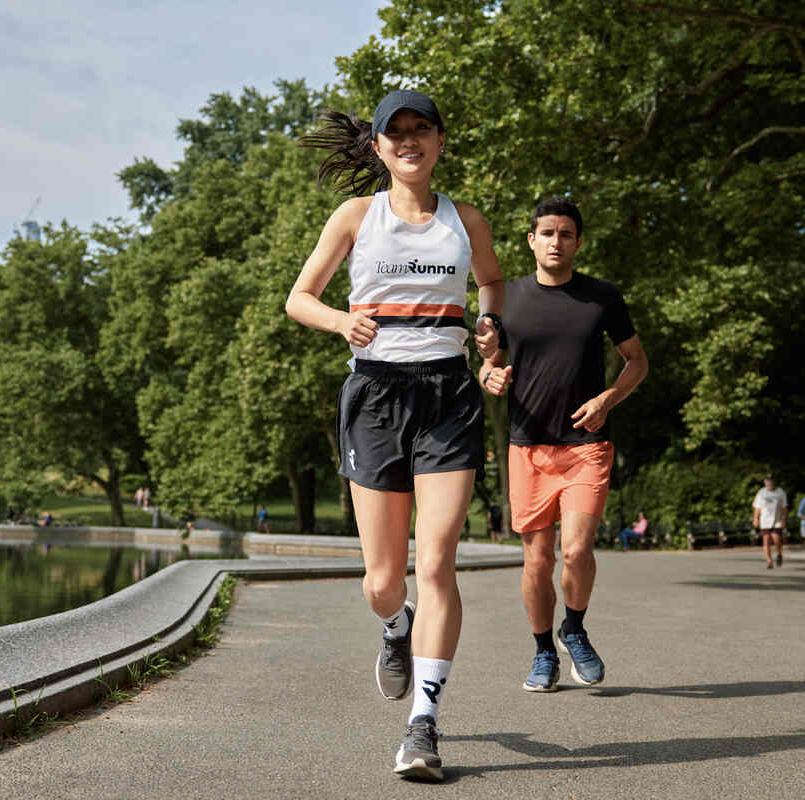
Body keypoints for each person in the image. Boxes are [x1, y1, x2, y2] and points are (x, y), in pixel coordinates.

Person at [286, 89, 505, 781]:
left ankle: (424, 725)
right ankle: (394, 624)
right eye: (396, 133)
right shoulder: (356, 216)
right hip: (375, 395)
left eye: (421, 130)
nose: (409, 141)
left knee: (436, 560)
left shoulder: (466, 219)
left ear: (440, 141)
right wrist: (337, 323)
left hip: (447, 394)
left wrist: (491, 333)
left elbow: (493, 284)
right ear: (378, 148)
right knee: (384, 581)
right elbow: (299, 298)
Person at [480, 197, 648, 694]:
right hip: (528, 446)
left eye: (567, 234)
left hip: (586, 445)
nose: (557, 241)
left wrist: (607, 400)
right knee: (537, 561)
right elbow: (489, 362)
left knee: (575, 551)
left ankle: (573, 628)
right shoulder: (506, 299)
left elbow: (636, 362)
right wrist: (489, 375)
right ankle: (542, 652)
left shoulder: (602, 297)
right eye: (548, 233)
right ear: (532, 240)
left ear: (578, 242)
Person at [752, 474, 787, 569]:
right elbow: (757, 507)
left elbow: (784, 507)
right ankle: (769, 561)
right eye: (767, 480)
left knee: (776, 539)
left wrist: (784, 519)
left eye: (771, 480)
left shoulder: (780, 492)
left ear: (774, 481)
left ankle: (779, 554)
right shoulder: (761, 493)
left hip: (777, 520)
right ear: (765, 482)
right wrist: (755, 518)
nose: (769, 482)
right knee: (766, 541)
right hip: (764, 521)